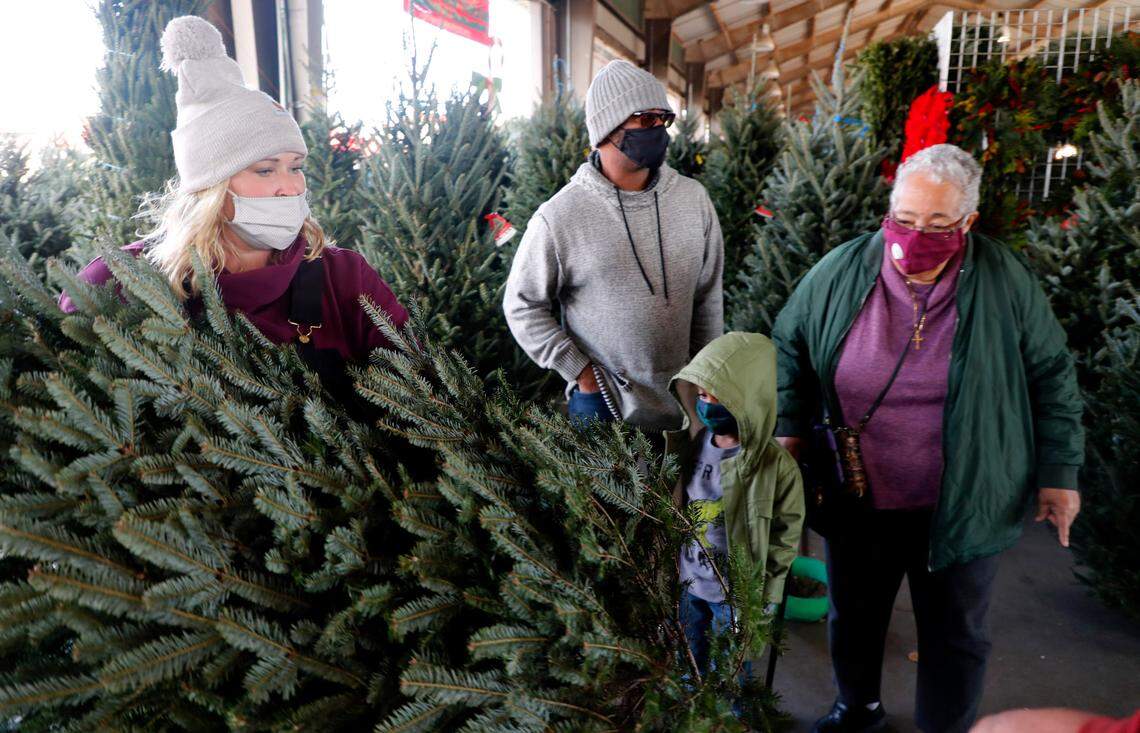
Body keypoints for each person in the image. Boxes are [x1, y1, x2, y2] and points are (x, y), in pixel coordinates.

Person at [771, 144, 1084, 733]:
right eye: (905, 221)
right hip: (859, 490)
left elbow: (1052, 374)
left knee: (956, 632)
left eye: (938, 225)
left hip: (965, 495)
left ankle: (947, 727)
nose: (915, 237)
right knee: (855, 614)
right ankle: (856, 708)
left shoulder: (1003, 279)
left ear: (968, 222)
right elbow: (790, 346)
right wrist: (789, 429)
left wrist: (1059, 474)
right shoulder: (841, 269)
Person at [60, 16, 407, 394]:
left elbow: (424, 397)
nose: (290, 187)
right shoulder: (114, 282)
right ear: (210, 187)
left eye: (295, 167)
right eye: (265, 170)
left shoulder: (345, 277)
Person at [503, 59, 724, 434]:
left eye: (663, 119)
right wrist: (582, 373)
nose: (659, 130)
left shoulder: (693, 200)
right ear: (608, 127)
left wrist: (710, 374)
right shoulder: (561, 215)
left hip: (685, 401)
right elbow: (521, 304)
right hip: (606, 404)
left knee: (691, 494)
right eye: (645, 119)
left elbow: (708, 297)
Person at [666, 332, 804, 685]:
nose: (706, 404)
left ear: (747, 400)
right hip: (690, 581)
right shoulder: (693, 443)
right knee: (689, 656)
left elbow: (785, 536)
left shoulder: (776, 468)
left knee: (730, 668)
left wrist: (769, 596)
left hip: (734, 594)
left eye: (717, 397)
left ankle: (736, 719)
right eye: (700, 395)